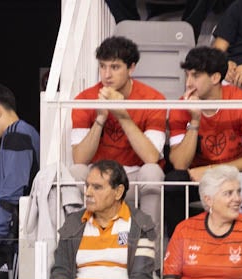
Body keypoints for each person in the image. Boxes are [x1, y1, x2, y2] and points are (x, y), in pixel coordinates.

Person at [68, 35, 167, 230]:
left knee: (153, 172)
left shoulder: (153, 99)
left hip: (134, 178)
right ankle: (75, 243)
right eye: (102, 66)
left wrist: (122, 115)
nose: (107, 75)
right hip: (100, 178)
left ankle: (148, 245)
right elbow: (79, 158)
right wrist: (100, 118)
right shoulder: (85, 98)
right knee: (74, 172)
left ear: (131, 68)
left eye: (114, 67)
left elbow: (151, 156)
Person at [167, 46, 242, 183]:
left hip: (235, 176)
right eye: (187, 75)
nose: (188, 83)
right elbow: (180, 164)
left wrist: (212, 170)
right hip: (197, 178)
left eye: (195, 76)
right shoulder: (180, 108)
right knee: (175, 181)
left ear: (215, 78)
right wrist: (195, 121)